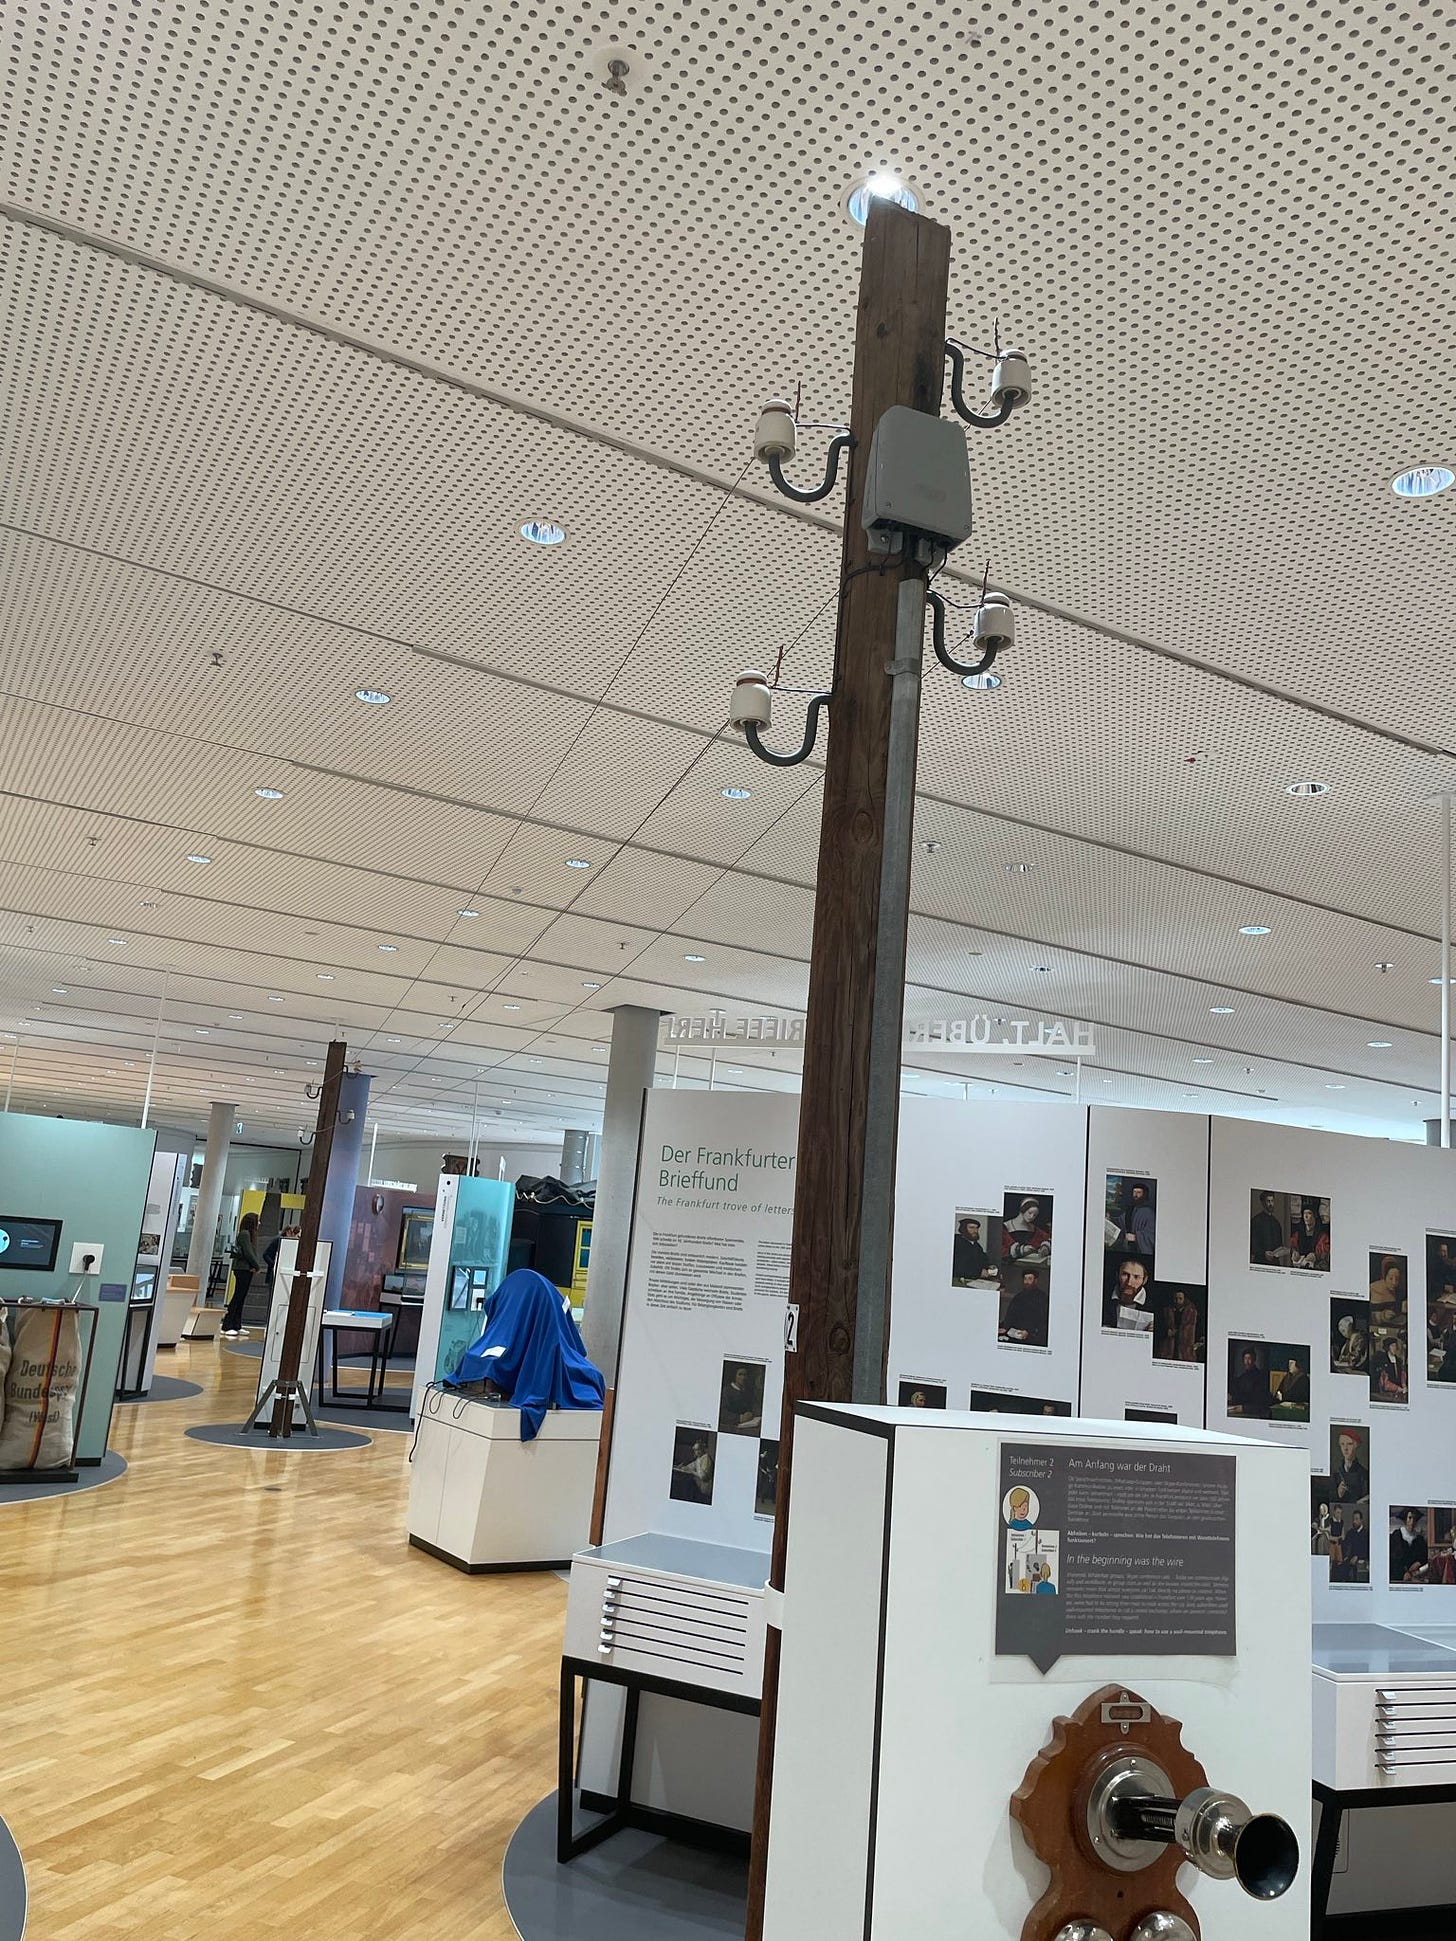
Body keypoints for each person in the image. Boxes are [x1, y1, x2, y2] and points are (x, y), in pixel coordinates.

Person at [222, 1211, 264, 1337]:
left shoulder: (248, 1234)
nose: (259, 1223)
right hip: (242, 1269)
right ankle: (227, 1325)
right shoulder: (245, 1234)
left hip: (246, 1269)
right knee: (238, 1297)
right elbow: (248, 1253)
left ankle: (236, 1324)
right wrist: (256, 1266)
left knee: (241, 1297)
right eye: (258, 1221)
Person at [1001, 1267, 1049, 1345]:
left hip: (1033, 1334)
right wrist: (1005, 1327)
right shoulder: (1018, 1297)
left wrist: (1029, 1332)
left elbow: (1043, 1321)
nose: (1027, 1282)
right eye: (1025, 1279)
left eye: (1030, 1279)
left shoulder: (1042, 1298)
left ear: (1035, 1281)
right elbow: (1010, 1315)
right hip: (1016, 1332)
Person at [1107, 1257, 1153, 1332]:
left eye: (1136, 1277)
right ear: (1117, 1275)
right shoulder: (1104, 1300)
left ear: (1144, 1280)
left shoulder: (1153, 1305)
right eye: (1125, 1274)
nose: (1129, 1283)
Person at [1156, 1287, 1200, 1362]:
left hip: (1185, 1347)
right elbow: (1158, 1326)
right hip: (1169, 1345)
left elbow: (1198, 1329)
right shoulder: (1166, 1311)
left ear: (1184, 1299)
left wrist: (1196, 1344)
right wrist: (1166, 1331)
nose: (1177, 1301)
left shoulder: (1192, 1312)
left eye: (1180, 1298)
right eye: (1175, 1298)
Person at [1004, 1198, 1052, 1264]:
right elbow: (1002, 1249)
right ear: (1022, 1210)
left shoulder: (1033, 1228)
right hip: (1011, 1264)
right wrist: (1020, 1250)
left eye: (1035, 1215)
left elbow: (1047, 1239)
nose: (1032, 1216)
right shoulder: (1006, 1226)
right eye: (1030, 1213)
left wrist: (1045, 1247)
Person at [1391, 1508, 1430, 1584]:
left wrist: (1418, 1562)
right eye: (1410, 1518)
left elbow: (1424, 1556)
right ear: (1405, 1519)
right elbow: (1393, 1559)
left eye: (1415, 1518)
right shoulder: (1396, 1536)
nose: (1412, 1521)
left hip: (1415, 1575)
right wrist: (1404, 1572)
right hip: (1398, 1575)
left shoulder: (1419, 1539)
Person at [1229, 1346, 1270, 1417]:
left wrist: (1244, 1408)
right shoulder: (1242, 1377)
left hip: (1253, 1412)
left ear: (1254, 1360)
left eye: (1249, 1359)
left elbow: (1259, 1401)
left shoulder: (1260, 1377)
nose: (1247, 1362)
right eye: (1245, 1359)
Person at [1250, 1191, 1286, 1266]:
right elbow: (1252, 1244)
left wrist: (1280, 1251)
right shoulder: (1256, 1221)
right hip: (1260, 1262)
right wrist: (1263, 1253)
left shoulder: (1276, 1223)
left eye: (1272, 1201)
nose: (1271, 1204)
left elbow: (1279, 1244)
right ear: (1263, 1203)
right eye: (1268, 1201)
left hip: (1275, 1263)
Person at [1333, 1430, 1369, 1503]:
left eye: (1349, 1444)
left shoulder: (1364, 1474)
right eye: (1342, 1444)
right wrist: (1338, 1494)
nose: (1345, 1448)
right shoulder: (1335, 1472)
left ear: (1356, 1445)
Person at [952, 1216, 989, 1285]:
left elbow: (983, 1258)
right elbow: (958, 1267)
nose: (975, 1230)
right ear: (963, 1229)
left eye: (976, 1228)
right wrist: (979, 1272)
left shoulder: (975, 1244)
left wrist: (989, 1266)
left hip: (975, 1280)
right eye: (971, 1227)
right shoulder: (956, 1242)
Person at [1291, 1203, 1328, 1270]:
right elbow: (1292, 1245)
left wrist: (1316, 1255)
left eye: (1309, 1213)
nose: (1306, 1216)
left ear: (1314, 1216)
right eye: (1304, 1213)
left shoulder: (1322, 1235)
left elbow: (1325, 1250)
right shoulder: (1298, 1234)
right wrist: (1294, 1252)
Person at [1125, 1181, 1155, 1256]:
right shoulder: (1131, 1209)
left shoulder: (1149, 1212)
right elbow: (1121, 1220)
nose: (1135, 1195)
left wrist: (1136, 1237)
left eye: (1139, 1192)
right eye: (1134, 1192)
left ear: (1144, 1194)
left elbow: (1153, 1235)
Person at [1374, 1337, 1407, 1402]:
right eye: (1392, 1346)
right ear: (1388, 1347)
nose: (1395, 1348)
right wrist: (1397, 1388)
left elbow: (1402, 1374)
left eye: (1395, 1346)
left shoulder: (1398, 1360)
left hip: (1400, 1391)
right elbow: (1384, 1382)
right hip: (1387, 1393)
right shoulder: (1383, 1360)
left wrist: (1404, 1385)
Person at [1342, 1509, 1369, 1582]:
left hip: (1362, 1560)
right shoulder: (1350, 1533)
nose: (1354, 1521)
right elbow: (1345, 1546)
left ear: (1361, 1520)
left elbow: (1367, 1550)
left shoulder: (1367, 1534)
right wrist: (1345, 1556)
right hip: (1349, 1561)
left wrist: (1357, 1556)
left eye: (1357, 1519)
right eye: (1353, 1519)